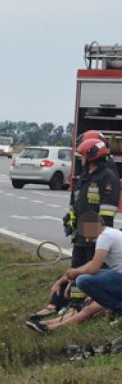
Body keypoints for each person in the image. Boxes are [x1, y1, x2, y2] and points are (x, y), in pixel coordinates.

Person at [27, 211, 122, 333]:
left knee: (83, 281)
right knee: (85, 298)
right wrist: (73, 272)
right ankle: (47, 326)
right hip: (117, 278)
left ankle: (118, 309)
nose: (85, 237)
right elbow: (93, 263)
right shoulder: (110, 234)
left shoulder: (105, 237)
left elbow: (93, 268)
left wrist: (76, 273)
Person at [62, 137, 119, 308]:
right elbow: (75, 204)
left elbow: (107, 212)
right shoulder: (84, 178)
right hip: (81, 234)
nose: (81, 159)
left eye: (82, 155)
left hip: (96, 237)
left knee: (93, 271)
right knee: (77, 267)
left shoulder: (107, 178)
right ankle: (75, 304)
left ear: (91, 156)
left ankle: (90, 305)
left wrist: (97, 235)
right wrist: (71, 221)